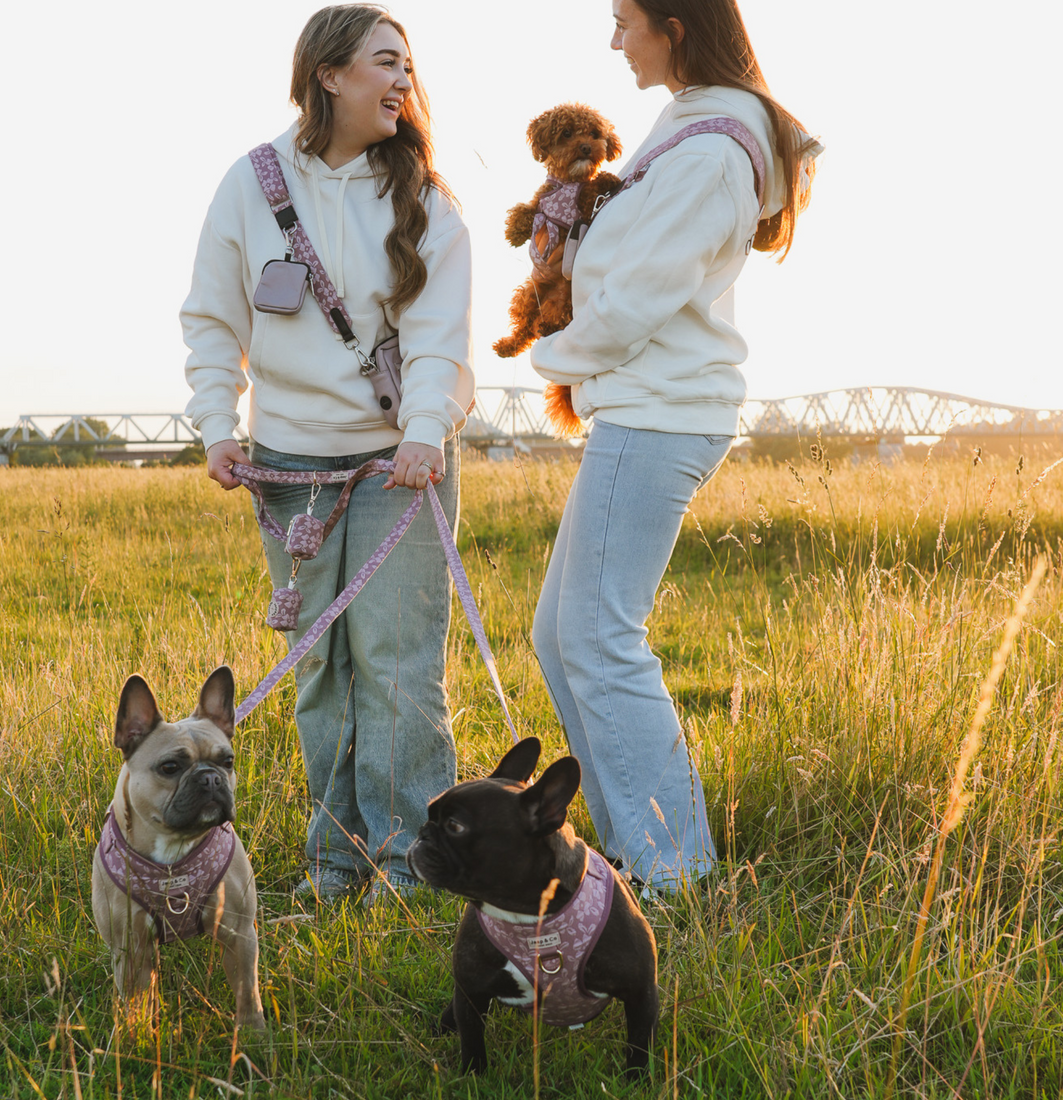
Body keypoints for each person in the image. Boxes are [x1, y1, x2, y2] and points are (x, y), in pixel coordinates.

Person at [181, 4, 474, 903]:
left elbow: (439, 341)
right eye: (385, 62)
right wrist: (215, 424)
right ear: (330, 74)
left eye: (409, 66)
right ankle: (335, 863)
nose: (403, 81)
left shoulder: (426, 198)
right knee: (321, 667)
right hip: (286, 472)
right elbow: (211, 316)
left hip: (397, 465)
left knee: (396, 664)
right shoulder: (251, 183)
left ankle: (410, 866)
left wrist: (424, 432)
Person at [530, 0, 820, 895]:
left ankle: (677, 871)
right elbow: (632, 264)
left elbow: (641, 299)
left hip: (660, 411)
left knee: (599, 633)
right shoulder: (691, 122)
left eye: (625, 20)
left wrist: (546, 353)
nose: (614, 41)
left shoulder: (710, 150)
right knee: (559, 632)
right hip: (645, 406)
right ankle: (635, 849)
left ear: (676, 23)